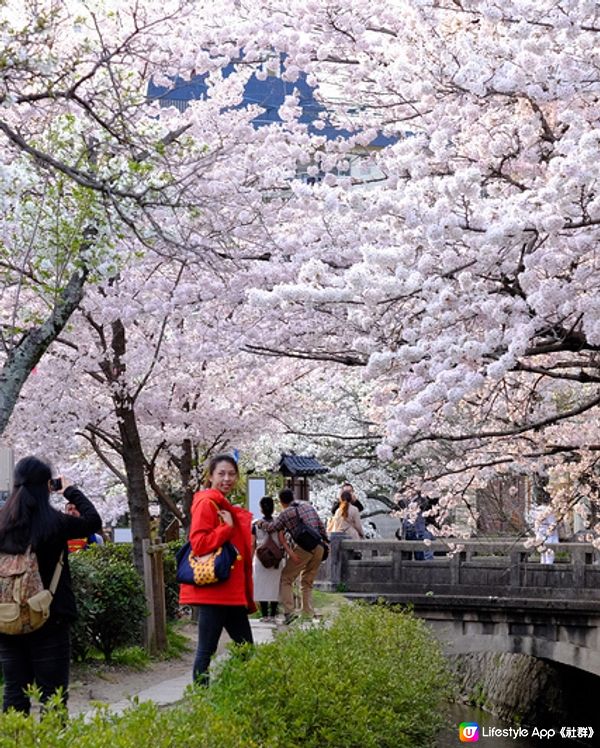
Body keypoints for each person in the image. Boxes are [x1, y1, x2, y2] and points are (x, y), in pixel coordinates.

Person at [0, 455, 101, 714]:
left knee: (14, 693)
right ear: (47, 486)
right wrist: (70, 490)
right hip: (50, 616)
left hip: (8, 619)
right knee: (53, 696)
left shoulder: (2, 523)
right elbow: (93, 521)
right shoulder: (55, 523)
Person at [179, 453, 255, 684]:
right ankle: (202, 702)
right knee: (207, 650)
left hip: (230, 592)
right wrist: (227, 529)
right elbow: (199, 543)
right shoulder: (206, 503)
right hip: (215, 592)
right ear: (210, 476)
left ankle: (249, 695)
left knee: (246, 650)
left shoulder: (223, 504)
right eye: (221, 473)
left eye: (232, 474)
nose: (227, 479)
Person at [259, 488, 328, 624]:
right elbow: (321, 526)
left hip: (304, 549)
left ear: (281, 501)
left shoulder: (286, 513)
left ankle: (289, 612)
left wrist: (261, 523)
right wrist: (326, 544)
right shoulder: (308, 507)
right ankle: (308, 613)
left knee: (286, 578)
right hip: (319, 546)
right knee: (307, 582)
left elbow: (272, 527)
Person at [252, 496, 285, 622]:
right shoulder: (278, 523)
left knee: (261, 586)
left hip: (260, 559)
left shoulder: (255, 524)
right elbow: (282, 541)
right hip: (276, 558)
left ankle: (265, 615)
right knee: (275, 586)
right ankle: (273, 615)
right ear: (273, 508)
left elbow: (252, 543)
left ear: (261, 509)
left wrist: (250, 558)